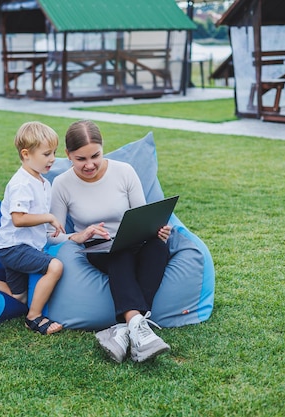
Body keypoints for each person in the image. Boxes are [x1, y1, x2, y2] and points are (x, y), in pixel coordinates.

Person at [49, 120, 172, 362]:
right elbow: (51, 236)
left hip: (134, 240)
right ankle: (140, 330)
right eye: (80, 159)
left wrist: (157, 230)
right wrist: (78, 236)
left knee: (158, 249)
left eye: (95, 155)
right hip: (99, 247)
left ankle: (124, 329)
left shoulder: (124, 171)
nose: (90, 164)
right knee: (120, 254)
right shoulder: (62, 184)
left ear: (103, 147)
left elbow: (142, 214)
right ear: (68, 155)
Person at [0, 121, 66, 335]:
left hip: (16, 247)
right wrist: (49, 217)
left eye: (54, 152)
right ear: (26, 154)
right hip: (14, 247)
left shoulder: (42, 182)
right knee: (55, 267)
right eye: (46, 154)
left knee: (19, 298)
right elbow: (18, 219)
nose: (52, 158)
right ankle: (33, 317)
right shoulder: (22, 183)